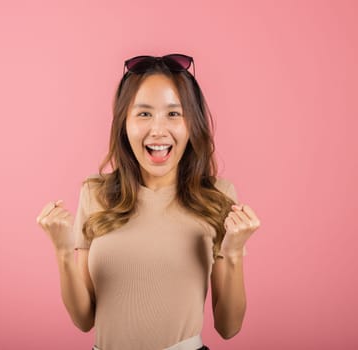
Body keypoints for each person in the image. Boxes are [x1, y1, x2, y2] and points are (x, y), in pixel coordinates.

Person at [36, 54, 261, 350]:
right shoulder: (95, 193)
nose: (158, 130)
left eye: (173, 114)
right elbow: (83, 319)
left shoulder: (218, 197)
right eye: (143, 114)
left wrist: (233, 253)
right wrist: (63, 251)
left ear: (192, 124)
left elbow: (228, 327)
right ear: (124, 124)